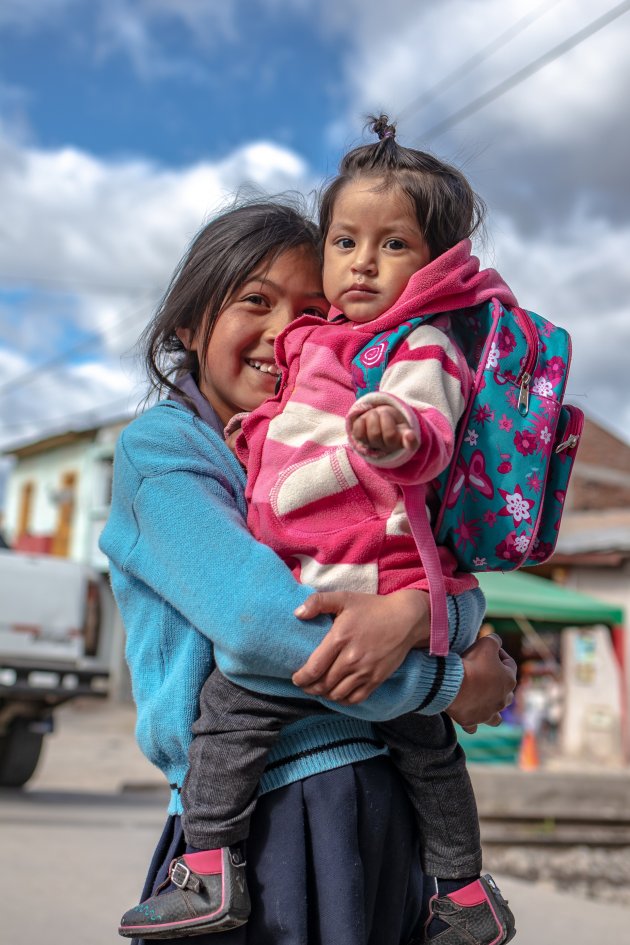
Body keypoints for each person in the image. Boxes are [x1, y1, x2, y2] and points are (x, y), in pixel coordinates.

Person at [100, 198, 517, 945]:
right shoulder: (164, 452)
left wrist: (422, 616)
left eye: (312, 312)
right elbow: (265, 624)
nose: (284, 332)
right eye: (255, 301)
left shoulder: (336, 458)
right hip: (259, 820)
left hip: (381, 805)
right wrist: (450, 680)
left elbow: (437, 571)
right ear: (188, 326)